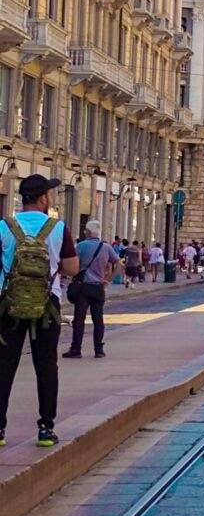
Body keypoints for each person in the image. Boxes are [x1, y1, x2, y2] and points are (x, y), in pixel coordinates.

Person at [0, 175, 79, 447]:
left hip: (7, 304)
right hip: (47, 304)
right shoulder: (58, 228)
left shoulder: (4, 226)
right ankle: (46, 429)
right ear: (43, 198)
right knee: (46, 366)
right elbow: (71, 268)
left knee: (4, 366)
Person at [63, 221, 120, 360]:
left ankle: (76, 349)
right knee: (98, 319)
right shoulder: (106, 247)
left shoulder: (81, 246)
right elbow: (119, 265)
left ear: (88, 232)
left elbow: (73, 264)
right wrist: (109, 279)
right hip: (98, 287)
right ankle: (98, 349)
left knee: (79, 319)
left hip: (83, 287)